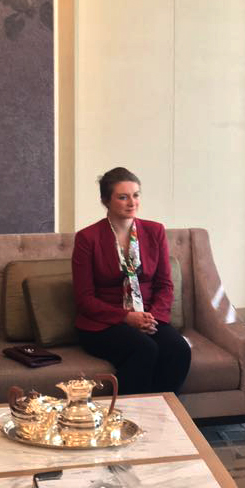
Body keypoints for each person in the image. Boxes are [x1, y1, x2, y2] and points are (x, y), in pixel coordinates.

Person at [72, 167, 191, 396]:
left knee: (179, 350)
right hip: (103, 324)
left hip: (148, 317)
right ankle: (129, 412)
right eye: (123, 197)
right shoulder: (87, 238)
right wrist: (126, 317)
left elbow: (165, 285)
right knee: (144, 349)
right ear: (106, 200)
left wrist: (151, 317)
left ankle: (161, 409)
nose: (132, 203)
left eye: (136, 195)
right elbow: (84, 299)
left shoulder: (155, 231)